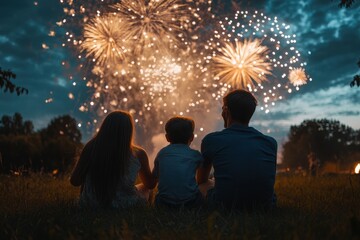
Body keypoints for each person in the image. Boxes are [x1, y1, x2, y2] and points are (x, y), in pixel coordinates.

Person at [197, 89, 277, 211]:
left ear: (226, 111)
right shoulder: (270, 142)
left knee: (203, 186)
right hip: (264, 205)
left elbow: (201, 179)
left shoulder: (211, 140)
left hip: (224, 205)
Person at [70, 110, 156, 208]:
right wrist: (158, 169)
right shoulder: (139, 153)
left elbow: (75, 181)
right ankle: (146, 211)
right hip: (125, 204)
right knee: (146, 188)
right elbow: (150, 184)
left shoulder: (91, 147)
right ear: (129, 131)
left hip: (91, 204)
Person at [152, 116, 204, 209]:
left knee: (158, 197)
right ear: (192, 137)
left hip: (164, 203)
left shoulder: (162, 153)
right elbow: (203, 176)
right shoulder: (195, 155)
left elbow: (155, 176)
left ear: (167, 137)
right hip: (190, 203)